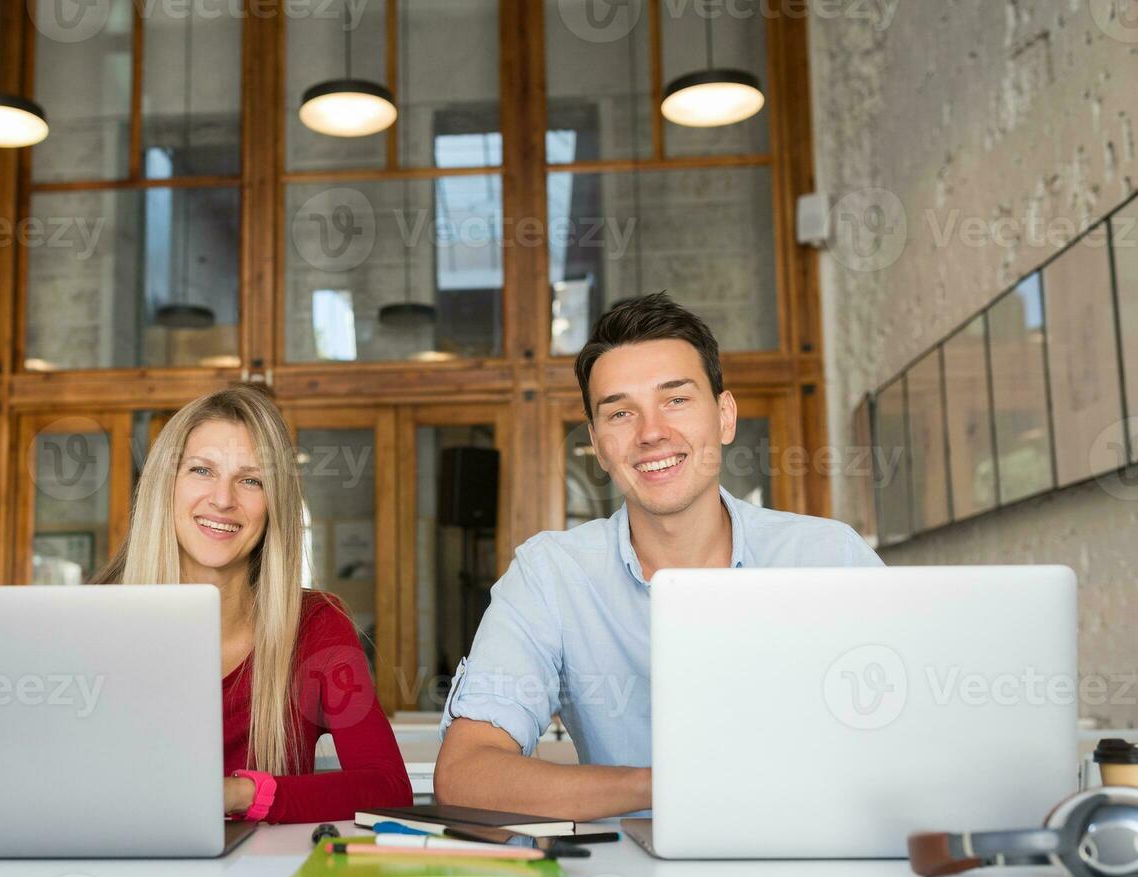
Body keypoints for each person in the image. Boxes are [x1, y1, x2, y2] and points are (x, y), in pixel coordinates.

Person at [434, 293, 883, 822]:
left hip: (823, 873)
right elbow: (466, 777)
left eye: (676, 399)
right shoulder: (550, 576)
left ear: (724, 417)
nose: (650, 433)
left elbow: (914, 734)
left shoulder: (830, 557)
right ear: (600, 448)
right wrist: (673, 783)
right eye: (621, 412)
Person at [94, 382, 411, 823]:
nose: (223, 499)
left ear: (274, 504)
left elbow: (387, 788)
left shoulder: (316, 625)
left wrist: (239, 794)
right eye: (202, 470)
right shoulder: (93, 620)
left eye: (250, 480)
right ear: (164, 487)